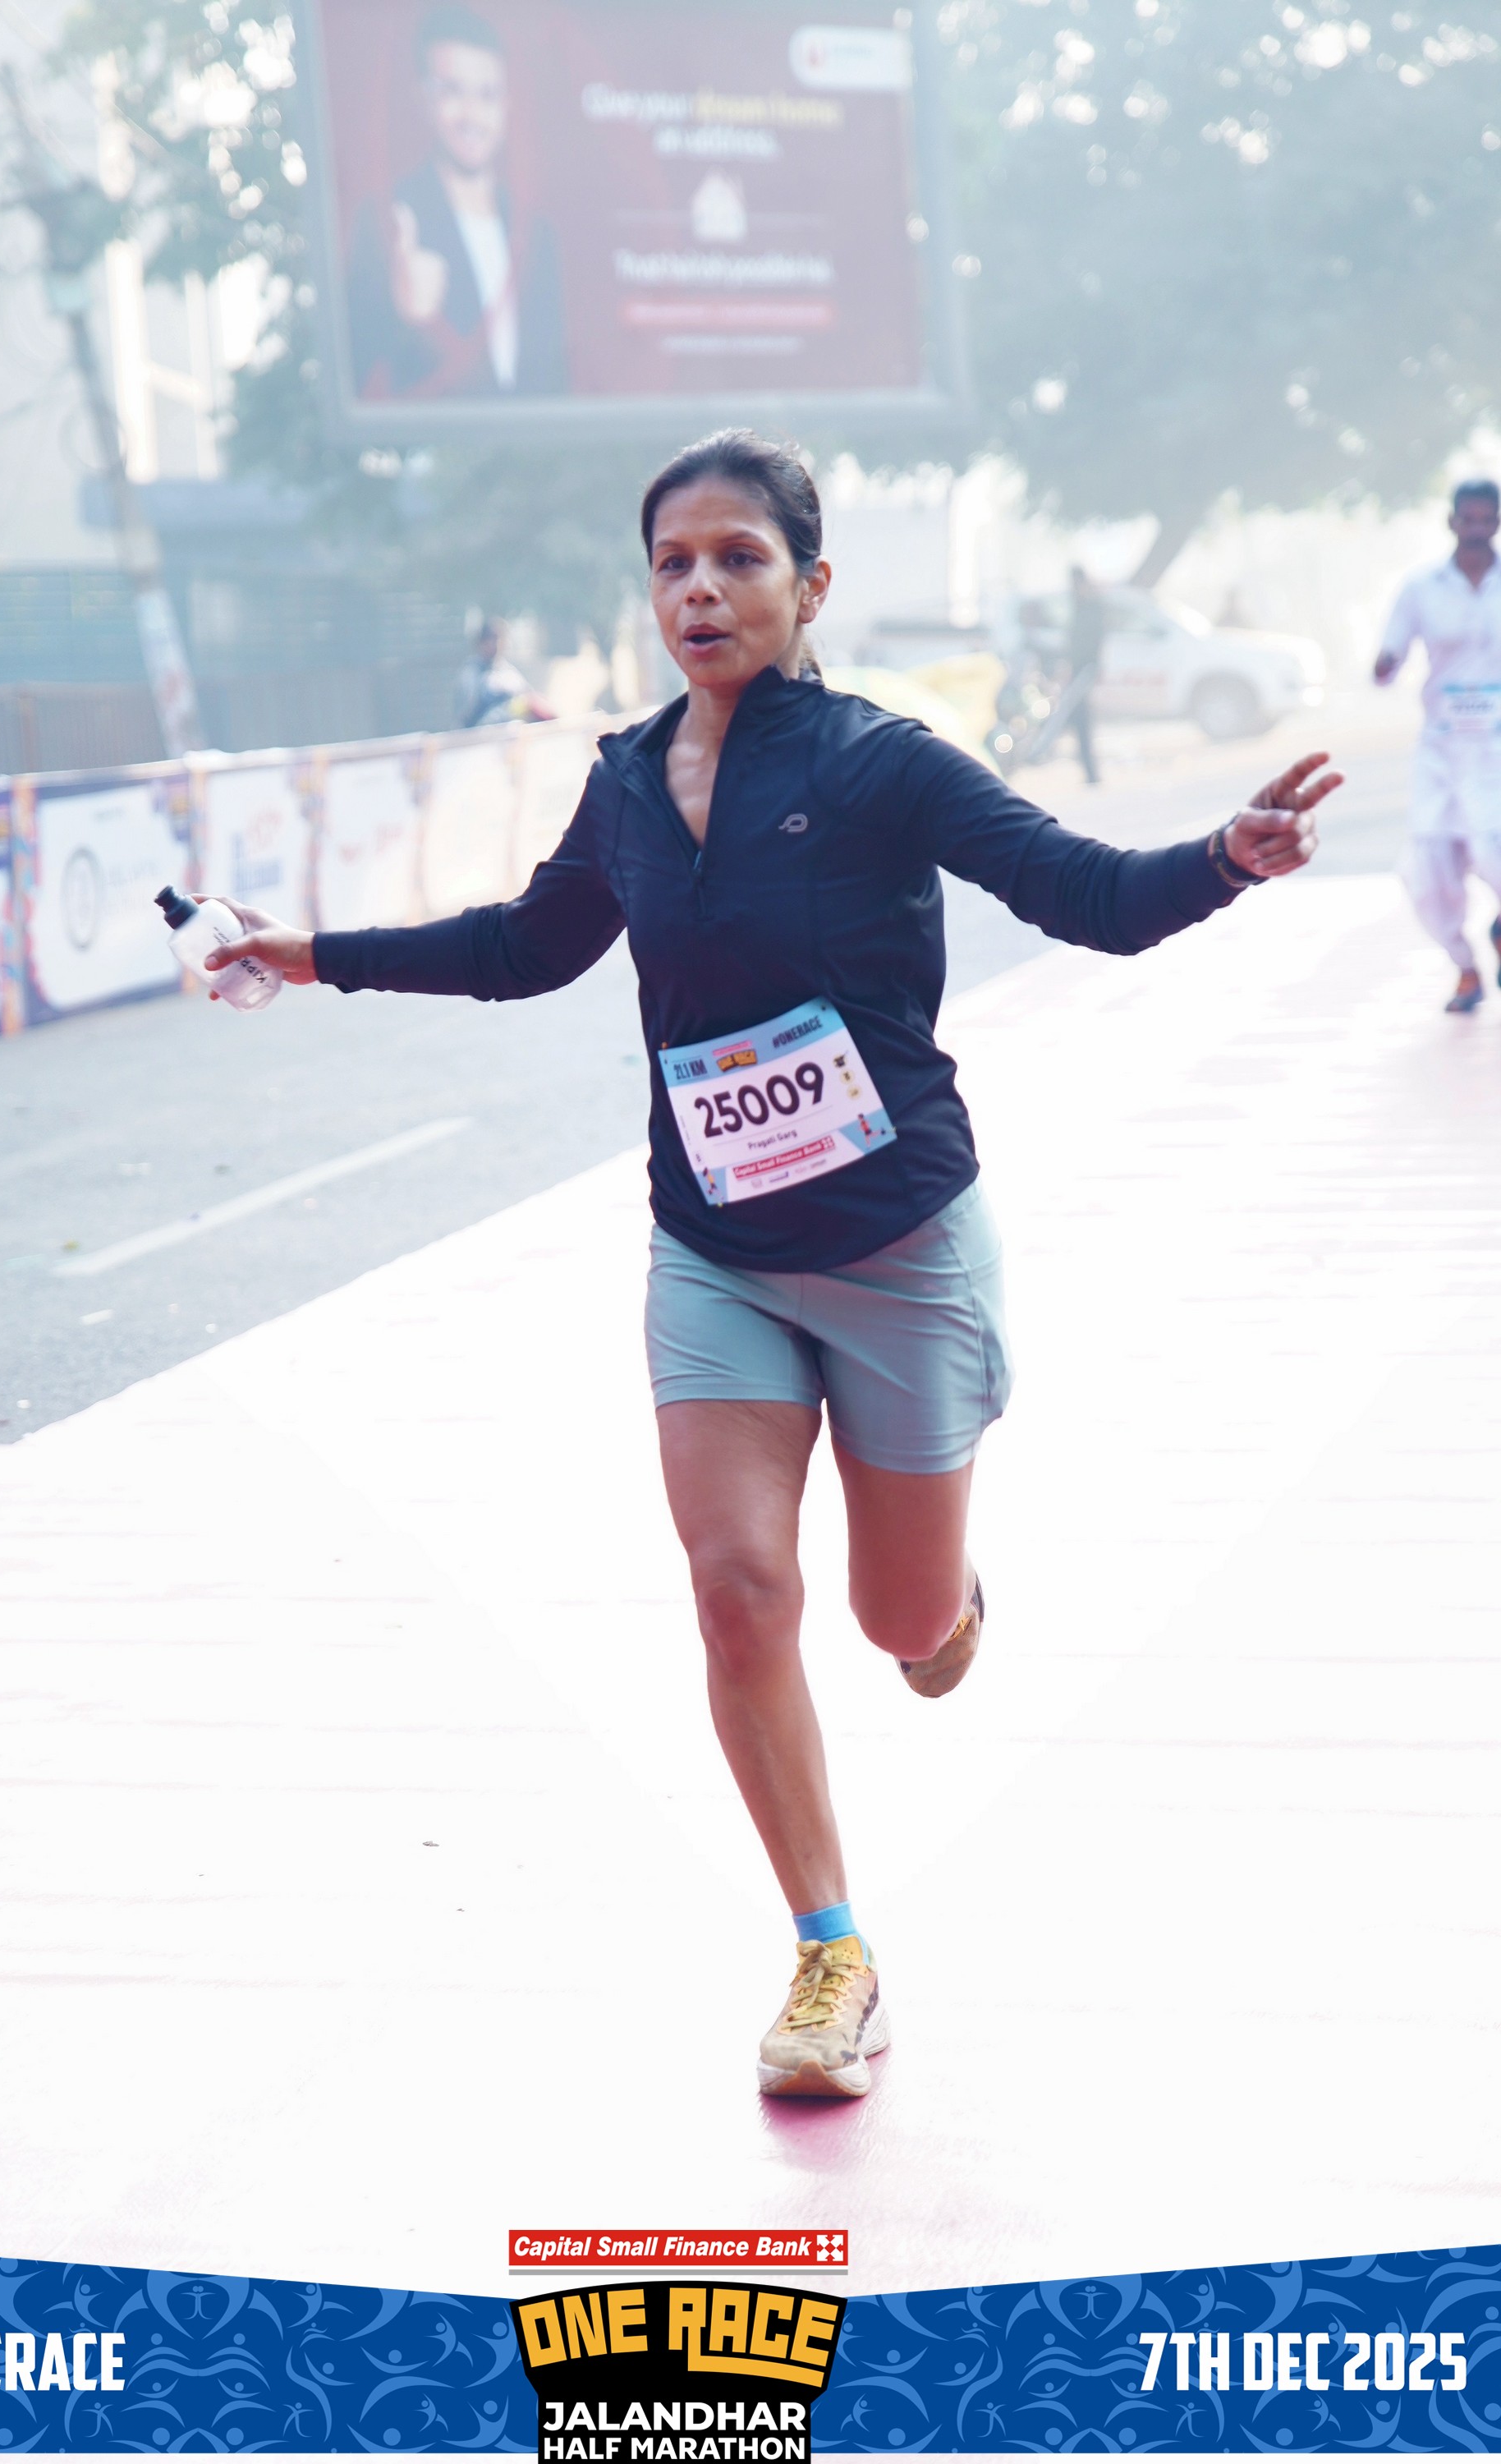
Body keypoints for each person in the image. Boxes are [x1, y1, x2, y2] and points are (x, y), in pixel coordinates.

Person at [204, 430, 1338, 2101]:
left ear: (811, 588)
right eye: (671, 563)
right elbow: (527, 948)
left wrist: (1222, 860)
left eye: (738, 558)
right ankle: (831, 1952)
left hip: (897, 1251)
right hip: (714, 1251)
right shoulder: (623, 779)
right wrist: (312, 954)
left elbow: (1081, 894)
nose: (700, 589)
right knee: (738, 1588)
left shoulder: (883, 763)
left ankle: (946, 1600)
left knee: (898, 1622)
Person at [346, 5, 567, 401]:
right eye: (452, 91)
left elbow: (557, 381)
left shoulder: (538, 234)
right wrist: (403, 316)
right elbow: (353, 370)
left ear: (507, 105)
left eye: (487, 95)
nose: (472, 115)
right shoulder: (387, 221)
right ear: (422, 99)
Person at [1375, 478, 1501, 1013]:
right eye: (1467, 519)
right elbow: (1389, 655)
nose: (1476, 529)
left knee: (1494, 851)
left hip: (1497, 750)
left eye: (1486, 519)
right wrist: (1385, 664)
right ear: (1452, 522)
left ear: (1497, 522)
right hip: (1442, 750)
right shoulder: (1421, 587)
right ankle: (1465, 967)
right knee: (1427, 872)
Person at [452, 618, 551, 729]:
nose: (497, 644)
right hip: (483, 734)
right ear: (481, 642)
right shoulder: (471, 673)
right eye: (493, 639)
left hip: (512, 734)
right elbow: (465, 716)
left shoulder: (508, 671)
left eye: (501, 639)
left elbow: (529, 697)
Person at [1064, 564, 1108, 785]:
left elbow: (1095, 641)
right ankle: (1089, 771)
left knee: (1082, 721)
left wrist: (1094, 668)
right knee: (1076, 720)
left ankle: (1091, 773)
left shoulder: (1092, 607)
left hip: (1085, 671)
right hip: (1076, 671)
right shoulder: (1079, 605)